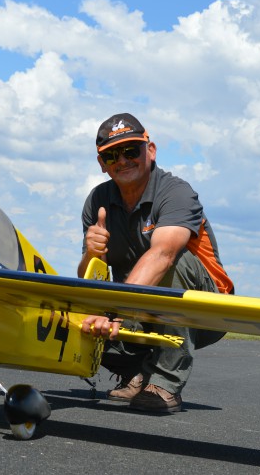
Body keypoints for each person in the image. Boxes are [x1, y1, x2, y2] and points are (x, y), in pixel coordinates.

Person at [77, 113, 234, 413]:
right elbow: (89, 276)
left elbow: (162, 255)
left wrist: (118, 313)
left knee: (173, 262)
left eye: (130, 150)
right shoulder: (98, 200)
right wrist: (90, 253)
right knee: (79, 307)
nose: (122, 160)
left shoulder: (176, 192)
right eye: (111, 155)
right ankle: (136, 373)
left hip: (206, 309)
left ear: (150, 150)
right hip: (137, 305)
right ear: (102, 164)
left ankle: (165, 384)